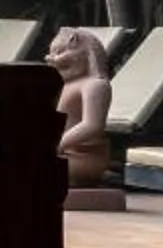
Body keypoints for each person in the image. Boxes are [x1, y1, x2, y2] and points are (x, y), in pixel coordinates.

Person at [45, 25, 114, 189]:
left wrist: (59, 144)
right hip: (64, 154)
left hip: (85, 157)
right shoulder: (66, 85)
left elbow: (93, 125)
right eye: (51, 53)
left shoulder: (96, 85)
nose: (52, 59)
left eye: (60, 53)